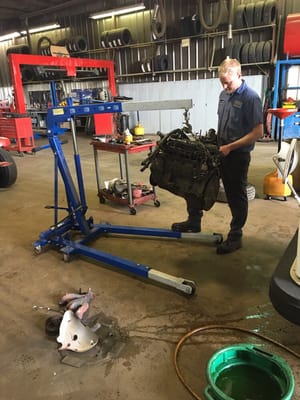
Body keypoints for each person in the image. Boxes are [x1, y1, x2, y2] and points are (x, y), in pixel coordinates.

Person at [171, 58, 263, 254]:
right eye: (221, 82)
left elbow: (258, 132)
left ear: (239, 75)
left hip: (237, 155)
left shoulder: (251, 98)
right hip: (219, 149)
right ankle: (193, 221)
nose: (224, 86)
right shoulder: (223, 94)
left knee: (235, 195)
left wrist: (231, 146)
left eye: (227, 82)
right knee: (196, 182)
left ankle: (235, 236)